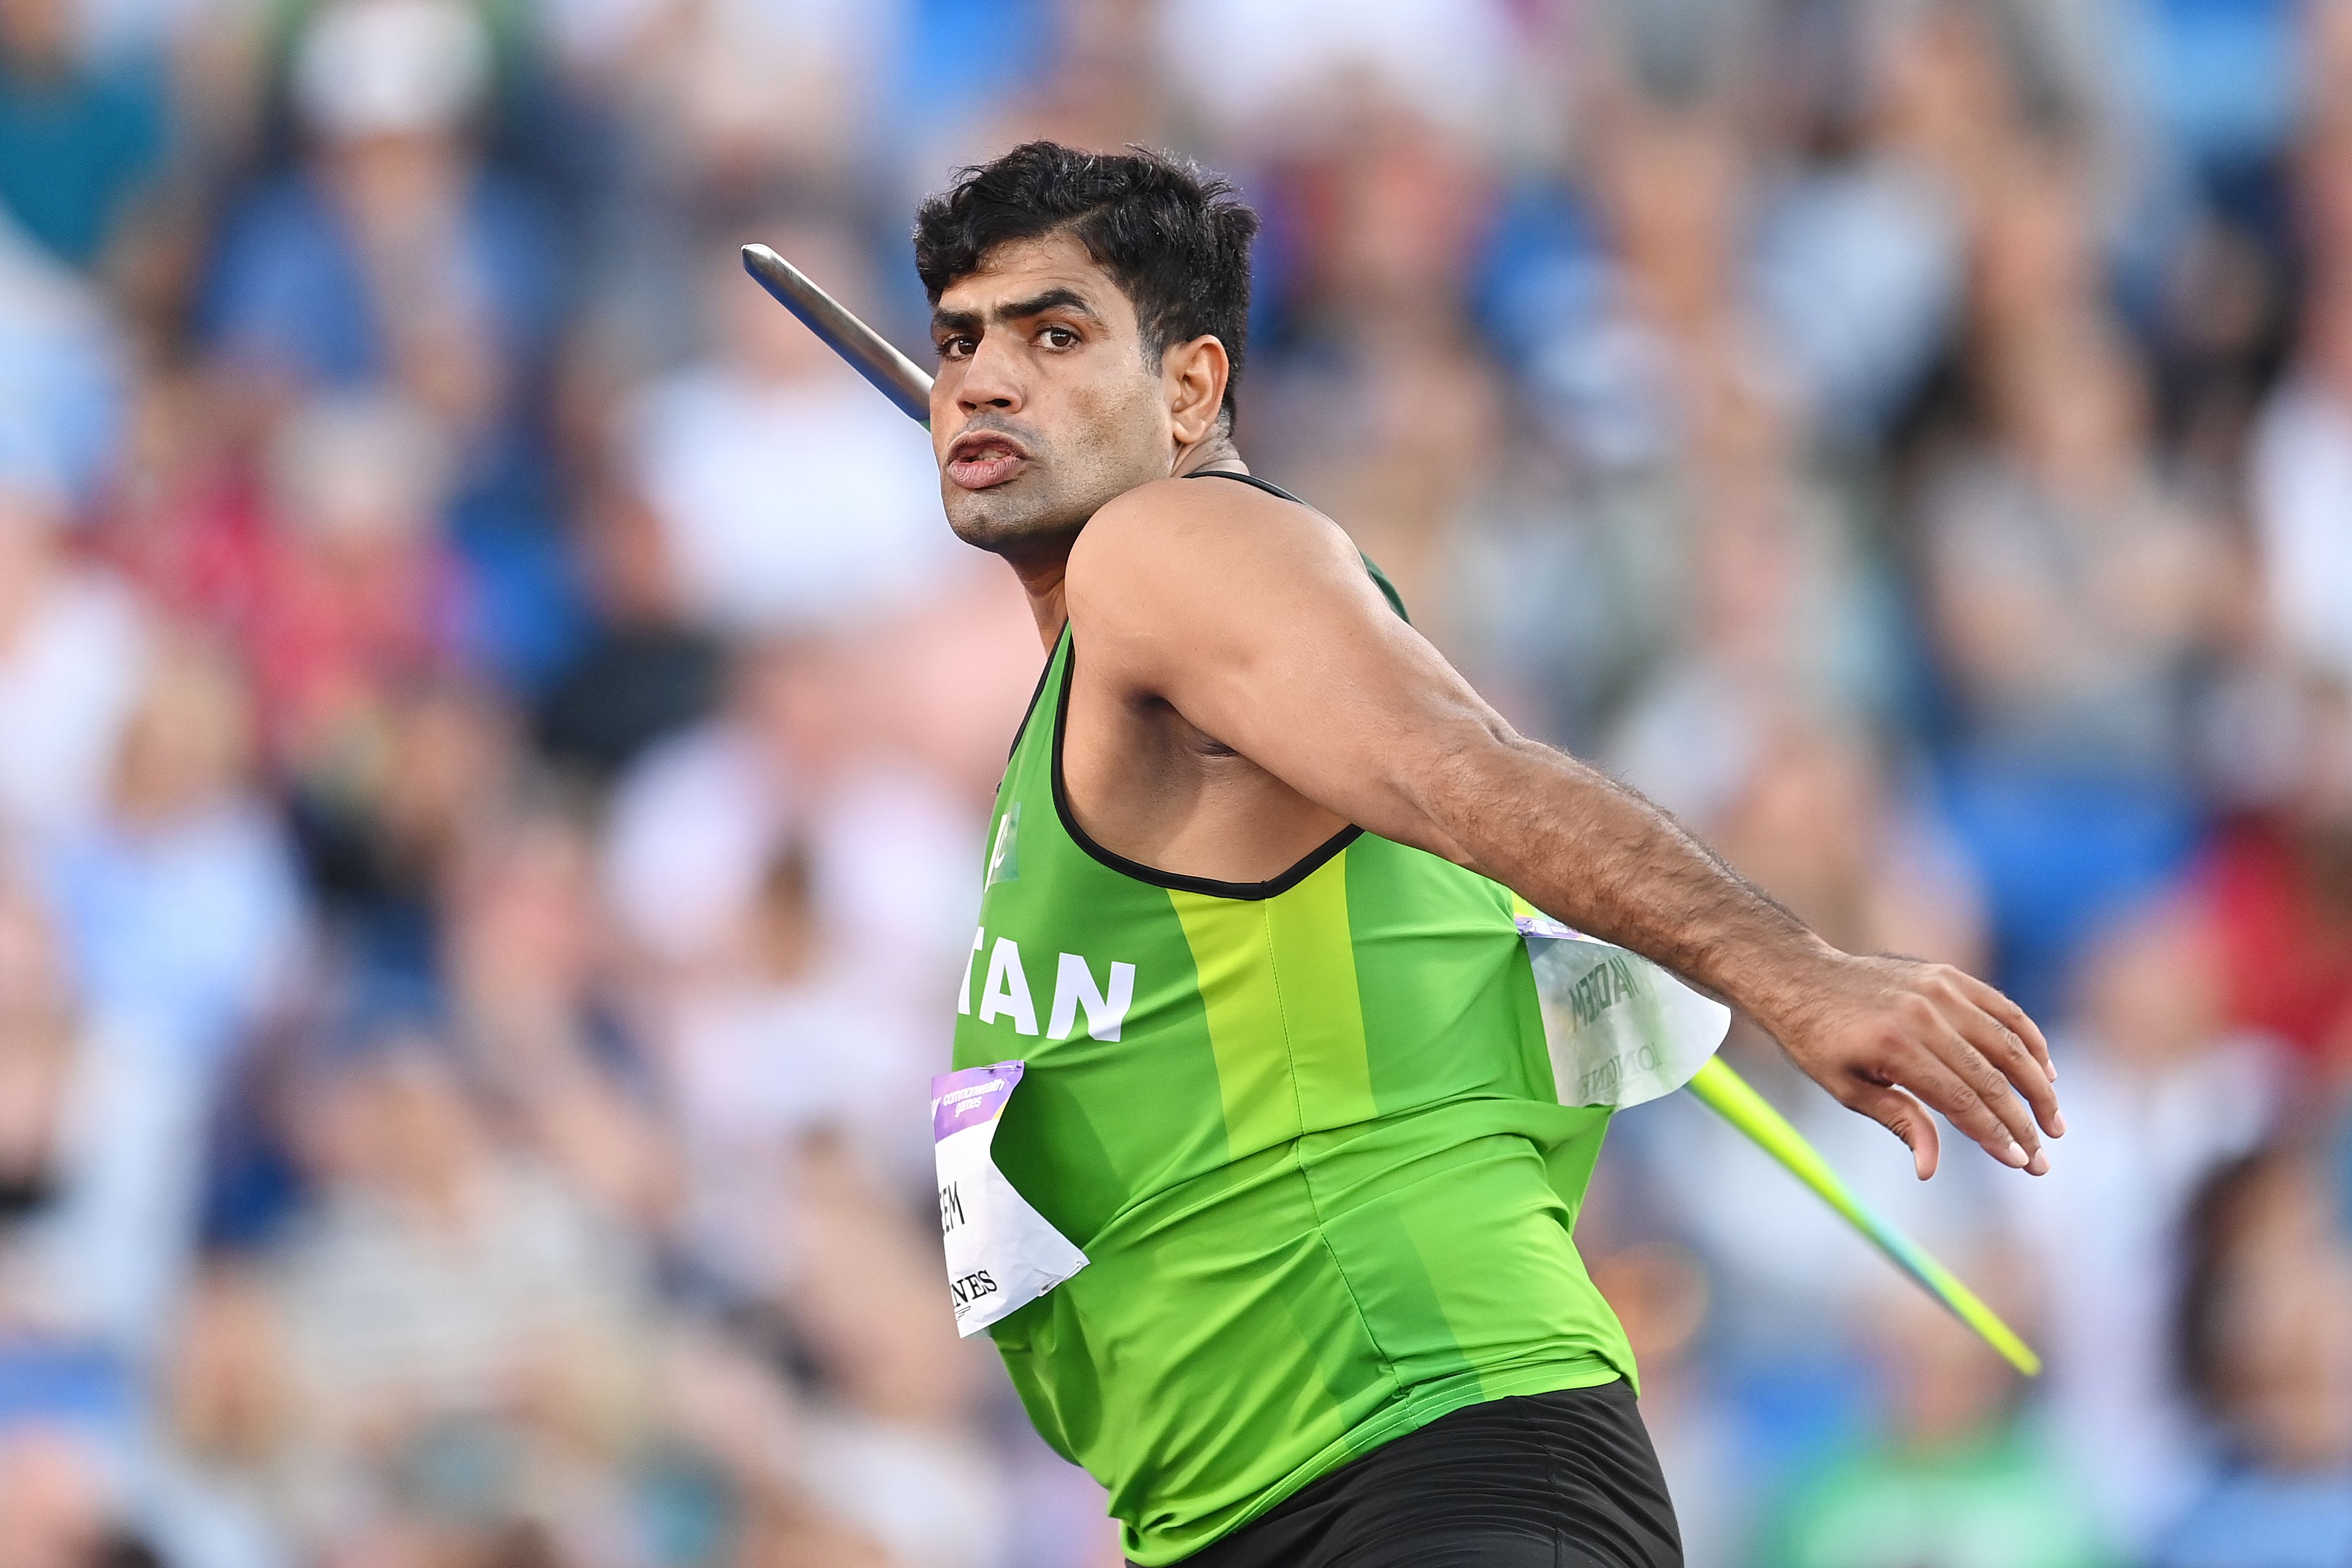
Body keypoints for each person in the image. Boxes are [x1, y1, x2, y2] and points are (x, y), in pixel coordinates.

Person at [915, 142, 2065, 1568]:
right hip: (1237, 1510)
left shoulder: (1165, 547)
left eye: (1054, 333)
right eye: (958, 339)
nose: (982, 376)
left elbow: (1464, 770)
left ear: (1193, 388)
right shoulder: (1125, 696)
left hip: (1423, 1459)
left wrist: (1797, 968)